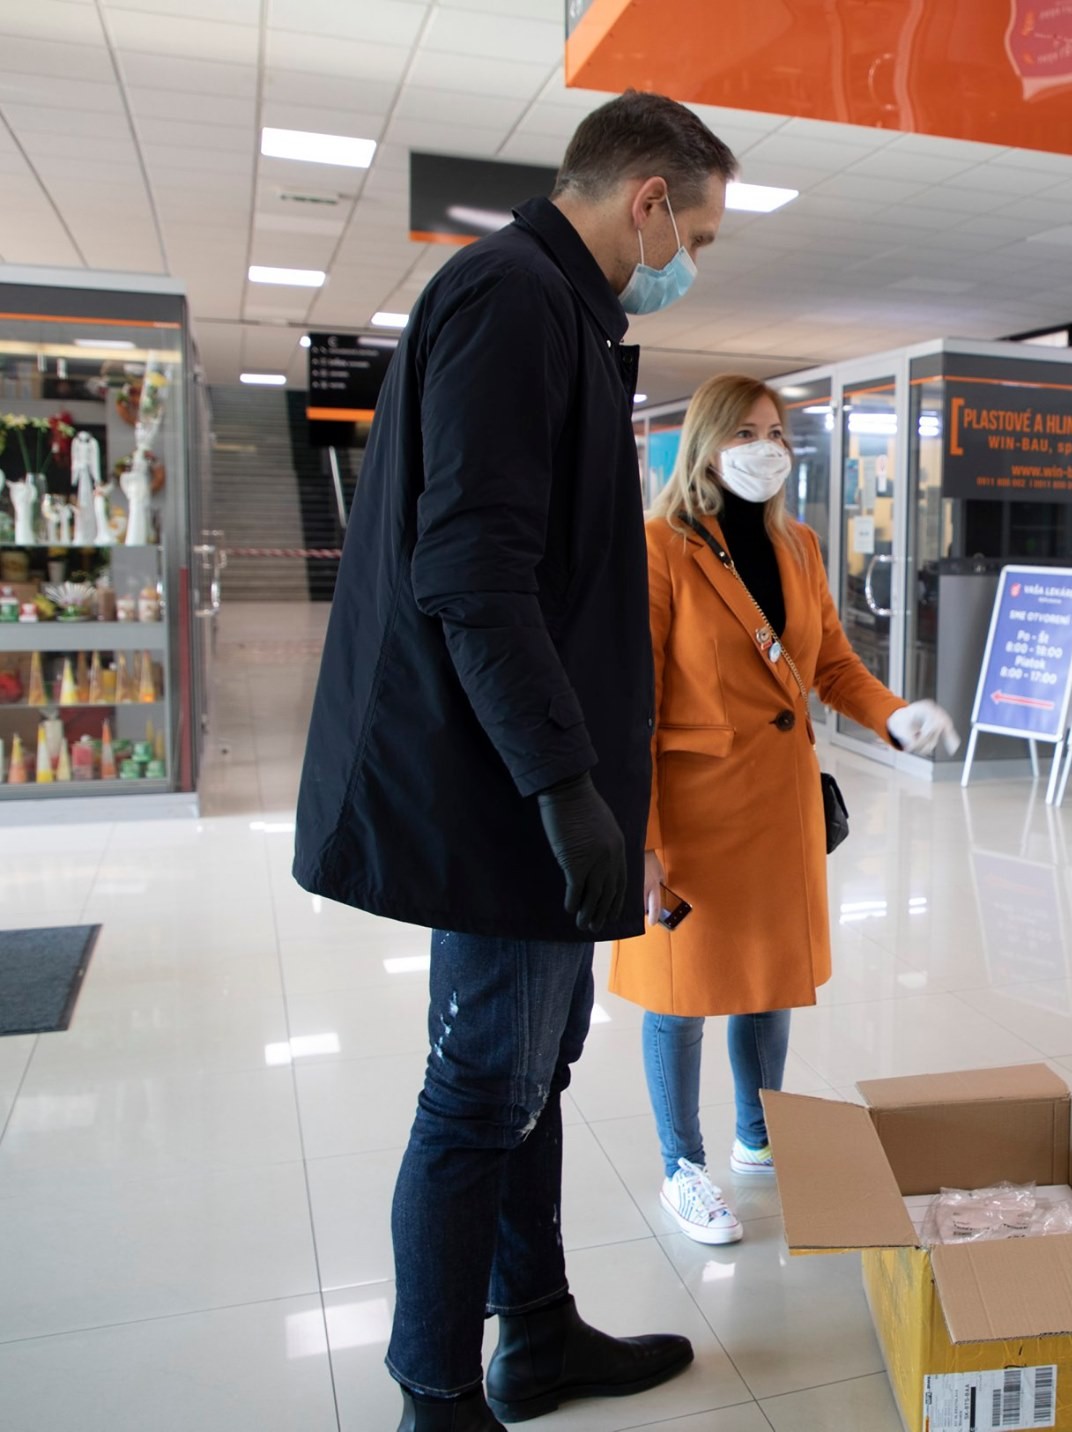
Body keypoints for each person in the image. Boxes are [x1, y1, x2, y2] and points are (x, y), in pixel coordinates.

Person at [294, 93, 738, 1432]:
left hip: (532, 778)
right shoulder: (513, 299)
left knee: (531, 1079)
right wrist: (562, 787)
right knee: (482, 1089)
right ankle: (435, 1395)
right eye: (696, 235)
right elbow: (474, 574)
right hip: (501, 789)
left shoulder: (564, 316)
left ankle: (535, 1333)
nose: (690, 261)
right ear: (646, 198)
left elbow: (559, 581)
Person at [612, 373, 957, 1246]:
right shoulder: (657, 546)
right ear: (706, 444)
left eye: (776, 433)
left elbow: (829, 663)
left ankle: (759, 1137)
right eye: (746, 433)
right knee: (681, 995)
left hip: (778, 804)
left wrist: (892, 715)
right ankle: (682, 1167)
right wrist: (639, 840)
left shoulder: (797, 544)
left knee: (768, 983)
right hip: (690, 815)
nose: (767, 448)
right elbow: (630, 704)